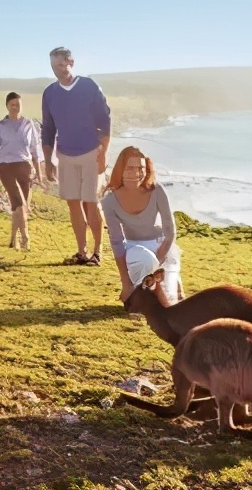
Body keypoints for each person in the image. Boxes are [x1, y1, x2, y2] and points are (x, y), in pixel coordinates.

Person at [41, 46, 111, 265]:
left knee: (91, 201)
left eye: (63, 64)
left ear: (71, 62)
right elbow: (48, 128)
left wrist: (103, 154)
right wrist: (48, 160)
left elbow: (105, 121)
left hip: (91, 152)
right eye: (55, 66)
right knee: (73, 203)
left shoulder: (89, 87)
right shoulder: (50, 93)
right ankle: (81, 252)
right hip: (65, 154)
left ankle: (97, 253)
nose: (60, 70)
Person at [101, 146, 183, 303]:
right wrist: (126, 285)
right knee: (144, 261)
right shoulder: (109, 200)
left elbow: (170, 232)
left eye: (141, 168)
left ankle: (171, 282)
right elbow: (117, 242)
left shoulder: (157, 190)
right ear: (120, 170)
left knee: (169, 303)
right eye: (130, 168)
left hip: (163, 248)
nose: (136, 173)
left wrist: (155, 265)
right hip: (135, 250)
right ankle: (142, 289)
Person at [0, 91, 43, 250]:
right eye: (12, 104)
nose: (15, 107)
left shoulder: (28, 124)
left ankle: (13, 239)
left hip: (25, 169)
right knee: (20, 205)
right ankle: (25, 237)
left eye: (18, 104)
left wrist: (39, 173)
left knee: (19, 208)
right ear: (6, 106)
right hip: (7, 168)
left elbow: (34, 150)